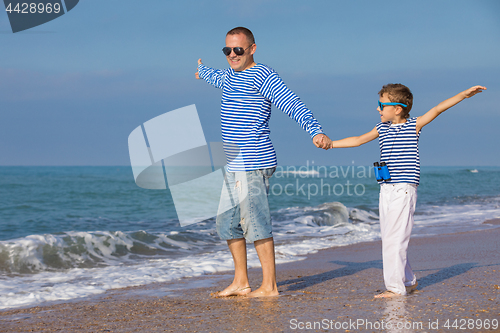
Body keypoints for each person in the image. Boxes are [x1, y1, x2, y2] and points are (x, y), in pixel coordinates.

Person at [195, 27, 332, 298]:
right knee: (226, 224)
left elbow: (292, 103)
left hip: (254, 161)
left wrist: (315, 130)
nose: (232, 55)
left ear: (252, 49)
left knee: (255, 224)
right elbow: (213, 75)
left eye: (238, 50)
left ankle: (269, 286)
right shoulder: (228, 76)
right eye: (227, 50)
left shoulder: (264, 75)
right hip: (232, 163)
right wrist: (201, 70)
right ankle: (241, 282)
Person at [330, 84, 486, 298]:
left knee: (395, 240)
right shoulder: (381, 128)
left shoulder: (414, 125)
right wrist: (331, 144)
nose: (378, 109)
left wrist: (464, 95)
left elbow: (438, 109)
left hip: (404, 190)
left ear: (398, 108)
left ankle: (395, 288)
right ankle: (409, 280)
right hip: (385, 190)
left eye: (381, 105)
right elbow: (357, 140)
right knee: (390, 238)